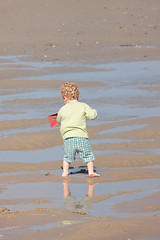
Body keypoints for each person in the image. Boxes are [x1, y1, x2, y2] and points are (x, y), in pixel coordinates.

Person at [56, 81, 100, 178]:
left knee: (67, 157)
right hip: (81, 137)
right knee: (88, 156)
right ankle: (91, 172)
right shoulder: (83, 106)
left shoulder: (62, 109)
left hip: (68, 138)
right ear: (77, 96)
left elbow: (58, 120)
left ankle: (65, 173)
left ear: (64, 97)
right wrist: (94, 111)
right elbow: (92, 116)